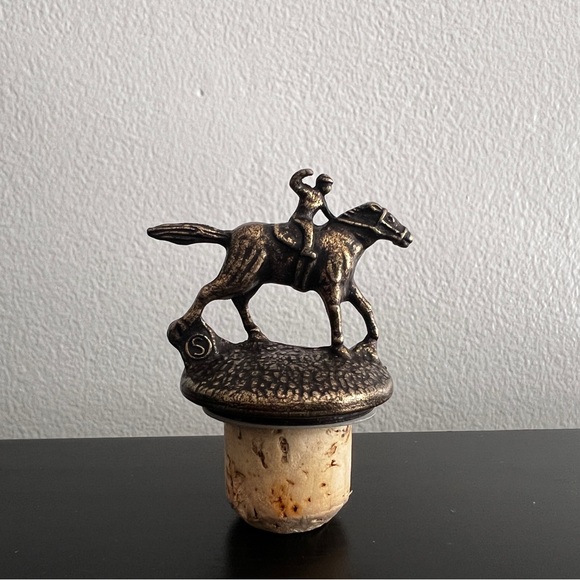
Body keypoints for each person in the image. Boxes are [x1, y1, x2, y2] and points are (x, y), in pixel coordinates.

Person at [289, 168, 335, 259]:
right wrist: (303, 173)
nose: (328, 187)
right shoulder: (308, 191)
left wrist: (339, 221)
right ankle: (306, 249)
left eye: (330, 185)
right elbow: (295, 184)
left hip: (308, 220)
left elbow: (329, 215)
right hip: (300, 218)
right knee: (308, 228)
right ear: (320, 184)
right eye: (326, 184)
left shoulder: (321, 200)